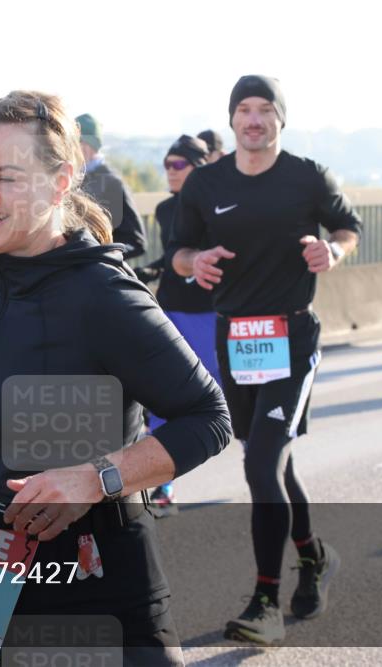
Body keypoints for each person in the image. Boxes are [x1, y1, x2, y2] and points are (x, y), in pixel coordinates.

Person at [0, 90, 232, 667]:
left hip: (94, 571)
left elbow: (209, 419)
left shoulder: (103, 294)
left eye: (6, 177)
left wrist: (95, 478)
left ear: (59, 184)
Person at [169, 75, 362, 646]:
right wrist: (194, 262)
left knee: (261, 465)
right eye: (244, 110)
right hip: (235, 339)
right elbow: (178, 252)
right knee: (270, 458)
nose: (254, 119)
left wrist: (335, 249)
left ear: (280, 119)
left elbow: (348, 227)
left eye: (265, 110)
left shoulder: (308, 176)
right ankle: (315, 556)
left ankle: (265, 603)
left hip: (292, 336)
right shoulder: (205, 183)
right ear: (232, 119)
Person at [136, 134, 219, 513]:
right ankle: (164, 487)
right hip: (171, 310)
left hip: (211, 312)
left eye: (179, 164)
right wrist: (149, 270)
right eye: (167, 164)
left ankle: (264, 465)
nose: (170, 171)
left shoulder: (218, 205)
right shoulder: (166, 208)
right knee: (162, 395)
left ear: (198, 168)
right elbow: (172, 255)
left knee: (226, 398)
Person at [75, 112, 147, 259]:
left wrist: (100, 256)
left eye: (72, 143)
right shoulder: (69, 180)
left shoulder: (112, 183)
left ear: (86, 146)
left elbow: (136, 241)